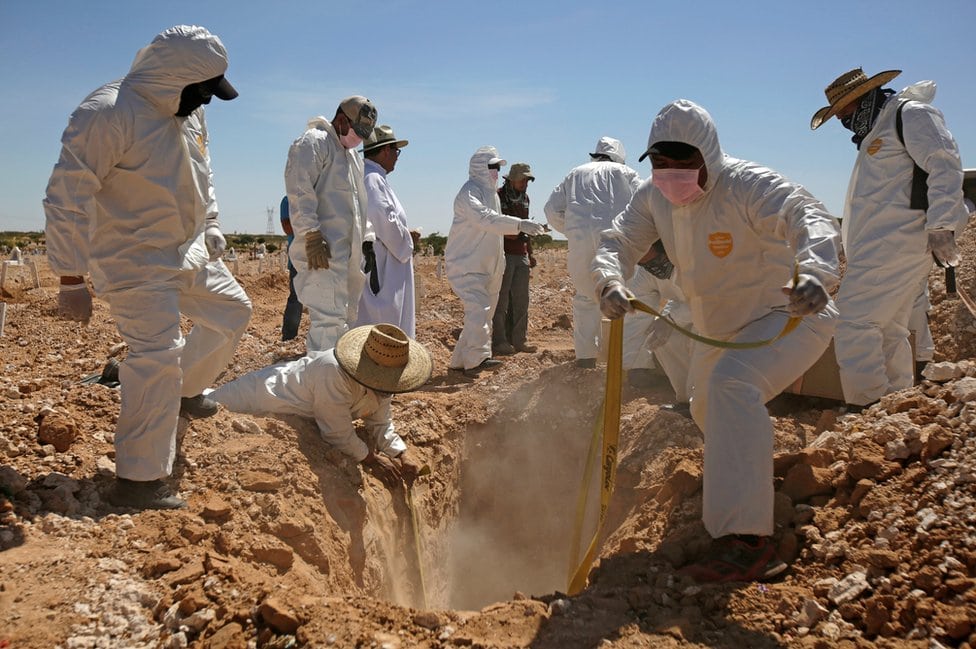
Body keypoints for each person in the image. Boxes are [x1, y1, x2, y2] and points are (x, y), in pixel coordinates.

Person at [593, 99, 841, 582]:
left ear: (708, 154)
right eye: (660, 163)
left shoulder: (748, 185)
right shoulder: (653, 198)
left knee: (730, 387)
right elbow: (617, 241)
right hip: (716, 329)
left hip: (786, 316)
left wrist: (814, 272)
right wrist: (608, 281)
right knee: (706, 405)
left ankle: (747, 542)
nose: (670, 174)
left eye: (682, 161)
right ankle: (744, 475)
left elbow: (806, 214)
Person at [43, 25, 253, 510]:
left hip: (190, 248)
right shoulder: (107, 114)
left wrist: (213, 221)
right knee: (157, 357)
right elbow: (67, 196)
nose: (206, 100)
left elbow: (205, 169)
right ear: (171, 77)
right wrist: (71, 277)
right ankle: (138, 480)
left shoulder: (190, 110)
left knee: (232, 312)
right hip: (133, 256)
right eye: (202, 89)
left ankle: (187, 391)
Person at [811, 68, 968, 407]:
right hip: (881, 246)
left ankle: (864, 406)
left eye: (844, 110)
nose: (841, 119)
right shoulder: (876, 132)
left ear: (864, 98)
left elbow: (944, 163)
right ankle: (894, 406)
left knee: (852, 323)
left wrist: (942, 225)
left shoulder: (909, 113)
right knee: (889, 329)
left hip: (897, 243)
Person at [211, 323, 430, 484]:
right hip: (262, 394)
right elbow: (337, 432)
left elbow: (380, 422)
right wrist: (371, 459)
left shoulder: (384, 381)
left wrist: (402, 454)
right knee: (206, 402)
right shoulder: (333, 372)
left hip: (291, 404)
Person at [284, 95, 378, 352]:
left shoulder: (352, 157)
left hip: (347, 256)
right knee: (327, 321)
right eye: (356, 132)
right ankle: (323, 379)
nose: (358, 139)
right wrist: (311, 235)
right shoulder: (314, 143)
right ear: (341, 120)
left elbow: (360, 205)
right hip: (321, 253)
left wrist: (367, 241)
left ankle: (333, 377)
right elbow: (300, 192)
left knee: (343, 318)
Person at [445, 147, 547, 377]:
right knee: (478, 309)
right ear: (480, 167)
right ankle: (477, 359)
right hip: (467, 264)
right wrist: (519, 224)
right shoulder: (469, 193)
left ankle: (459, 359)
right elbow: (485, 219)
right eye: (492, 167)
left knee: (483, 312)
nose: (495, 171)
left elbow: (494, 227)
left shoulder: (491, 195)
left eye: (498, 167)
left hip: (490, 266)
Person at [544, 137, 642, 368]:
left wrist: (571, 230)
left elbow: (551, 209)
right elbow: (645, 205)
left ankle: (586, 358)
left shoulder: (575, 173)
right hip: (617, 241)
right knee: (628, 298)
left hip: (581, 244)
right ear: (619, 156)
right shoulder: (627, 173)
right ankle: (633, 364)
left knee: (585, 299)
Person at [353, 125, 420, 337]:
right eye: (396, 152)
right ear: (385, 151)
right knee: (382, 319)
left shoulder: (375, 177)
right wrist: (407, 241)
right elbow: (383, 219)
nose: (397, 158)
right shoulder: (372, 179)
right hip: (383, 263)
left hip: (385, 257)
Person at [624, 241, 694, 410]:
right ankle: (687, 401)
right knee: (663, 338)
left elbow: (710, 302)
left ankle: (706, 403)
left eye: (655, 261)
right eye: (645, 263)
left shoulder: (697, 260)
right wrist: (635, 364)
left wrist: (671, 319)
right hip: (685, 310)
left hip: (723, 315)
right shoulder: (645, 273)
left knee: (701, 341)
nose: (653, 267)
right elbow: (637, 313)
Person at [492, 162, 538, 356]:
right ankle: (500, 341)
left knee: (521, 300)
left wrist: (531, 253)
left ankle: (519, 340)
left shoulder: (525, 198)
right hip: (504, 254)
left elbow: (526, 228)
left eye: (527, 180)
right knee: (502, 300)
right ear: (512, 179)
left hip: (521, 254)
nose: (525, 183)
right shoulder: (498, 196)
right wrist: (519, 233)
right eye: (522, 179)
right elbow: (498, 227)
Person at [279, 195, 304, 341]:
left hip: (319, 254)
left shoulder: (318, 195)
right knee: (296, 298)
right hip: (298, 257)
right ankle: (289, 337)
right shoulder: (288, 200)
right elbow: (287, 227)